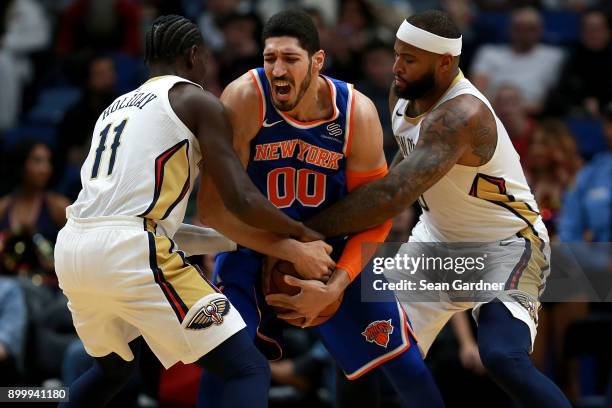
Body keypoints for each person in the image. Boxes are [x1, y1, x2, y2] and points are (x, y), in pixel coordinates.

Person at [287, 10, 572, 407]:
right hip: (437, 242)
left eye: (409, 59)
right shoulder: (402, 93)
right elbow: (403, 171)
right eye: (396, 54)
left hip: (506, 246)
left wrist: (301, 231)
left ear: (444, 62)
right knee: (362, 349)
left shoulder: (462, 114)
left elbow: (392, 195)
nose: (396, 67)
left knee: (502, 357)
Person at [54, 15, 333, 408]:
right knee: (248, 369)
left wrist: (234, 241)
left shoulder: (114, 109)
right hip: (129, 249)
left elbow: (132, 214)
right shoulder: (195, 100)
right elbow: (241, 199)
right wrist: (303, 235)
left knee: (112, 370)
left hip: (73, 248)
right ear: (194, 55)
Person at [199, 9, 444, 408]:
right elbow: (213, 210)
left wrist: (337, 283)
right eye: (269, 58)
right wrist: (291, 250)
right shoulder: (244, 97)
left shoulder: (355, 112)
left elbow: (376, 212)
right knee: (226, 362)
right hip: (255, 247)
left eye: (290, 59)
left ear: (317, 61)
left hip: (336, 252)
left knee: (408, 368)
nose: (277, 69)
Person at [470, 6, 564, 114]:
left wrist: (513, 108)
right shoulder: (489, 53)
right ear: (510, 29)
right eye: (519, 28)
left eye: (531, 28)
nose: (524, 33)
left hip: (532, 115)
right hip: (491, 111)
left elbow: (548, 100)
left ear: (540, 30)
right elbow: (477, 93)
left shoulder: (555, 56)